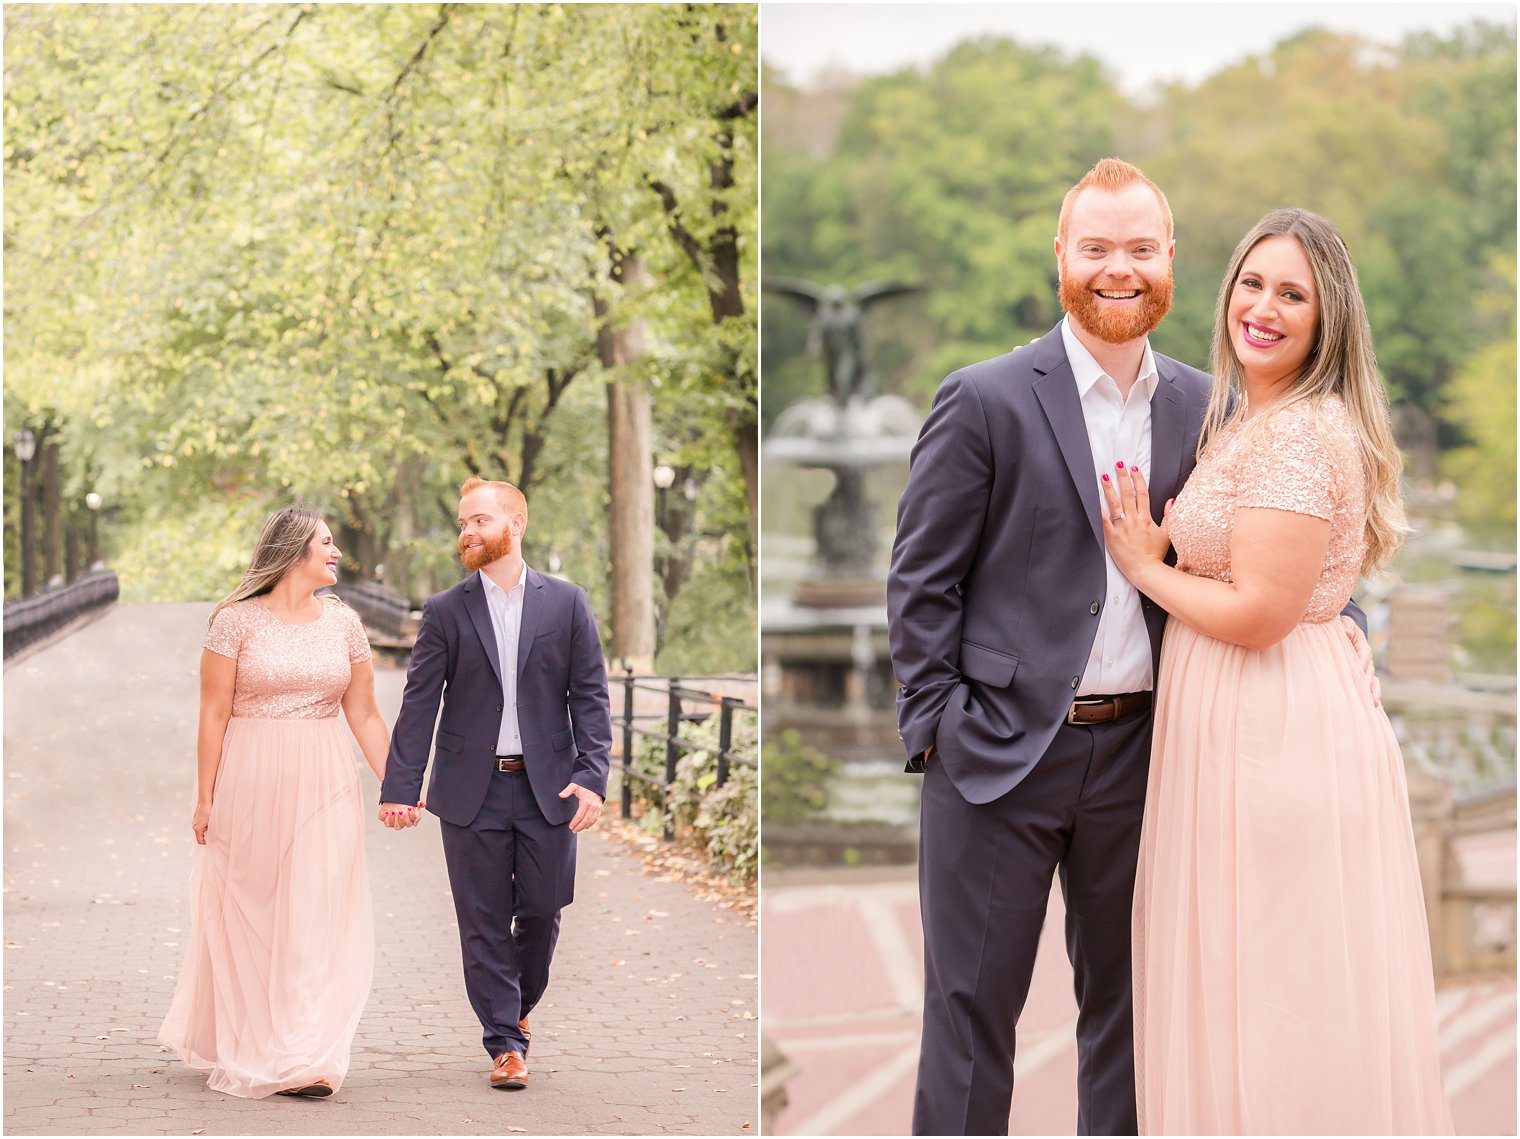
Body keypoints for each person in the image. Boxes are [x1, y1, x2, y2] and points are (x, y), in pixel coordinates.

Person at [885, 159, 1369, 1135]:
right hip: (995, 760)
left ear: (1169, 260)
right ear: (1061, 255)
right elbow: (918, 581)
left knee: (1132, 1022)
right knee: (968, 1015)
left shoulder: (1208, 407)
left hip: (1149, 763)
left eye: (1139, 249)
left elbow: (1268, 545)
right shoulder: (981, 399)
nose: (1119, 268)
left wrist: (1337, 623)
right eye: (1097, 247)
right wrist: (936, 728)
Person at [1101, 208, 1453, 1134]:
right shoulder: (1254, 417)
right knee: (1247, 977)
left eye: (1292, 293)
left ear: (1327, 316)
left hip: (1269, 730)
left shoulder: (1297, 434)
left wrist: (1146, 566)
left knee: (1273, 992)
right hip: (1245, 720)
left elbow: (1261, 612)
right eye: (1252, 283)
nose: (1263, 306)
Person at [378, 476, 612, 1090]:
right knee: (481, 920)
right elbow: (419, 703)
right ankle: (505, 1042)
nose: (467, 533)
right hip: (469, 791)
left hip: (549, 789)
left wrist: (592, 777)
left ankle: (516, 1008)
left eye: (479, 520)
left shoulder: (567, 604)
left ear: (516, 523)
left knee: (541, 911)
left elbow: (590, 697)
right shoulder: (446, 610)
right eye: (462, 523)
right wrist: (400, 787)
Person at [160, 506, 397, 1099]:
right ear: (294, 552)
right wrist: (204, 798)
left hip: (324, 778)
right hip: (250, 778)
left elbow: (363, 712)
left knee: (314, 912)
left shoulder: (345, 623)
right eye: (327, 542)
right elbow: (213, 713)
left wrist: (399, 783)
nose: (337, 551)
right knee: (256, 911)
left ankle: (300, 1055)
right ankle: (255, 1038)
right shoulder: (235, 623)